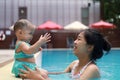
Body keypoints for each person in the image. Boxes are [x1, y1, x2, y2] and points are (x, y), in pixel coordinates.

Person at [19, 29, 111, 80]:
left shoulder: (92, 69)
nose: (74, 42)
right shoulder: (74, 64)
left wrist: (39, 79)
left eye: (79, 39)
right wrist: (41, 72)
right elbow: (59, 74)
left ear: (90, 47)